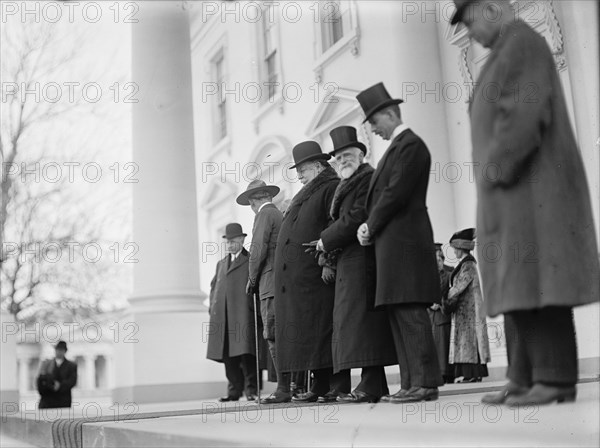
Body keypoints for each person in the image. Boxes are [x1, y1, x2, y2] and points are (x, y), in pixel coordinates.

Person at [450, 0, 600, 405]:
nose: (469, 31)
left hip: (530, 188)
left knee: (540, 284)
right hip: (511, 194)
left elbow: (523, 115)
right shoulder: (506, 49)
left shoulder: (522, 43)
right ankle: (523, 375)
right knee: (518, 287)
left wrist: (495, 170)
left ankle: (553, 379)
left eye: (469, 19)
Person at [356, 82, 443, 403]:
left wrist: (370, 224)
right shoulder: (397, 146)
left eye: (375, 122)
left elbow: (395, 192)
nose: (374, 130)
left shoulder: (411, 145)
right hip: (393, 247)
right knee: (398, 313)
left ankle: (424, 382)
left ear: (390, 114)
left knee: (410, 311)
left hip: (405, 245)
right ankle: (410, 383)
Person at [314, 126, 397, 403]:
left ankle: (371, 385)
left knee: (364, 323)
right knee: (357, 324)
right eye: (337, 158)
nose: (342, 161)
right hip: (350, 260)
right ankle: (373, 384)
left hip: (363, 259)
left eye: (347, 154)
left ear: (361, 153)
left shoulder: (366, 179)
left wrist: (325, 240)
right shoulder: (347, 182)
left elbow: (355, 217)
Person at [273, 141, 345, 403]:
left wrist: (328, 260)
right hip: (300, 279)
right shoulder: (309, 192)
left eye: (302, 170)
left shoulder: (330, 188)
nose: (299, 175)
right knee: (311, 334)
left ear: (317, 166)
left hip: (316, 274)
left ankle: (337, 385)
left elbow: (334, 224)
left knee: (325, 330)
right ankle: (320, 384)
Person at [236, 179, 290, 404]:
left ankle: (283, 388)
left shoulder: (264, 215)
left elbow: (257, 249)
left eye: (251, 202)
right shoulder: (278, 214)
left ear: (256, 201)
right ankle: (289, 385)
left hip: (269, 282)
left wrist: (252, 278)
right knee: (283, 334)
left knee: (273, 334)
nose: (251, 207)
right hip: (283, 282)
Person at [206, 223, 258, 402]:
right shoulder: (221, 264)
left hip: (242, 314)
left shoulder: (250, 260)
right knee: (228, 355)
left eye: (233, 240)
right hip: (223, 316)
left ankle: (251, 390)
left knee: (246, 354)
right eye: (227, 241)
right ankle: (234, 390)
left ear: (242, 240)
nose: (229, 244)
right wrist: (212, 306)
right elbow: (214, 286)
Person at [444, 229, 490, 383]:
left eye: (454, 249)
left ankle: (472, 374)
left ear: (460, 248)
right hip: (466, 310)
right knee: (467, 343)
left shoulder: (468, 264)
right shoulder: (467, 263)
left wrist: (445, 295)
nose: (454, 252)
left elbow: (459, 286)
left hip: (469, 311)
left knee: (469, 342)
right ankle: (471, 374)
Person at [428, 243, 455, 384]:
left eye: (439, 258)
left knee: (443, 346)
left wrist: (439, 302)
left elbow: (453, 293)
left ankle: (447, 374)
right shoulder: (425, 274)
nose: (438, 261)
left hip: (442, 313)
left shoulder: (450, 272)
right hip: (429, 315)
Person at [37, 340, 78, 409]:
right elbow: (40, 380)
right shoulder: (47, 363)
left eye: (61, 350)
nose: (58, 352)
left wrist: (60, 386)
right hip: (47, 400)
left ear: (65, 351)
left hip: (63, 401)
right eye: (57, 349)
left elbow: (72, 381)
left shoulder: (71, 365)